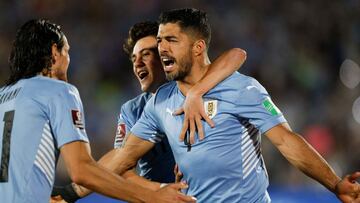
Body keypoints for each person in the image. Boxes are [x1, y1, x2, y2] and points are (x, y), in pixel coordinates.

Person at [96, 8, 360, 203]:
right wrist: (73, 190)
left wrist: (335, 185)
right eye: (161, 40)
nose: (162, 48)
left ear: (198, 48)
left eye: (171, 40)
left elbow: (286, 142)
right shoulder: (160, 103)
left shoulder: (241, 88)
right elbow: (121, 159)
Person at [0, 19, 197, 203]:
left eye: (146, 54)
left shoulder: (3, 96)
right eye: (67, 52)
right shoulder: (58, 91)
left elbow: (122, 155)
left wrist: (71, 191)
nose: (69, 61)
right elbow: (83, 169)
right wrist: (153, 196)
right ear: (55, 52)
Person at [51, 20, 247, 202]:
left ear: (165, 54)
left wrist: (196, 92)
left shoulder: (194, 88)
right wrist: (162, 190)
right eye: (134, 58)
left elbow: (236, 55)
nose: (137, 64)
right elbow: (122, 162)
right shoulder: (132, 110)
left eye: (146, 54)